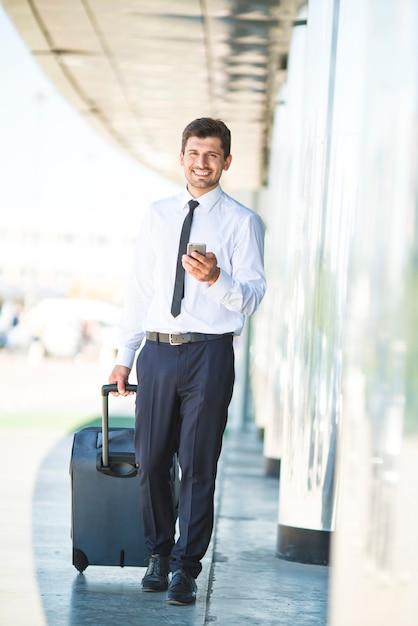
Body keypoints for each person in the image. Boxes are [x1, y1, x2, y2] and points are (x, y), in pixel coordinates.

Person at [109, 117, 266, 605]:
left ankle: (185, 568)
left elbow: (254, 296)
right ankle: (157, 554)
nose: (202, 163)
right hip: (157, 351)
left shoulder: (242, 221)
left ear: (227, 161)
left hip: (210, 354)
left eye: (212, 155)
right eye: (195, 154)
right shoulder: (157, 215)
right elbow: (139, 291)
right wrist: (124, 356)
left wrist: (217, 279)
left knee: (198, 465)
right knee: (152, 460)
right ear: (182, 157)